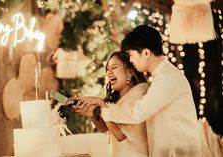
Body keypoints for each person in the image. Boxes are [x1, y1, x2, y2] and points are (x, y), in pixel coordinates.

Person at [72, 25, 202, 157]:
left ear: (146, 53)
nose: (130, 60)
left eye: (131, 55)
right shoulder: (161, 77)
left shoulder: (167, 78)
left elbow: (137, 113)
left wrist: (100, 107)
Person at [73, 51, 149, 157]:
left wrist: (100, 103)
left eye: (114, 67)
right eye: (107, 69)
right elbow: (105, 128)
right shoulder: (119, 100)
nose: (109, 73)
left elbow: (120, 135)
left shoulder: (138, 96)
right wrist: (93, 113)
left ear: (129, 73)